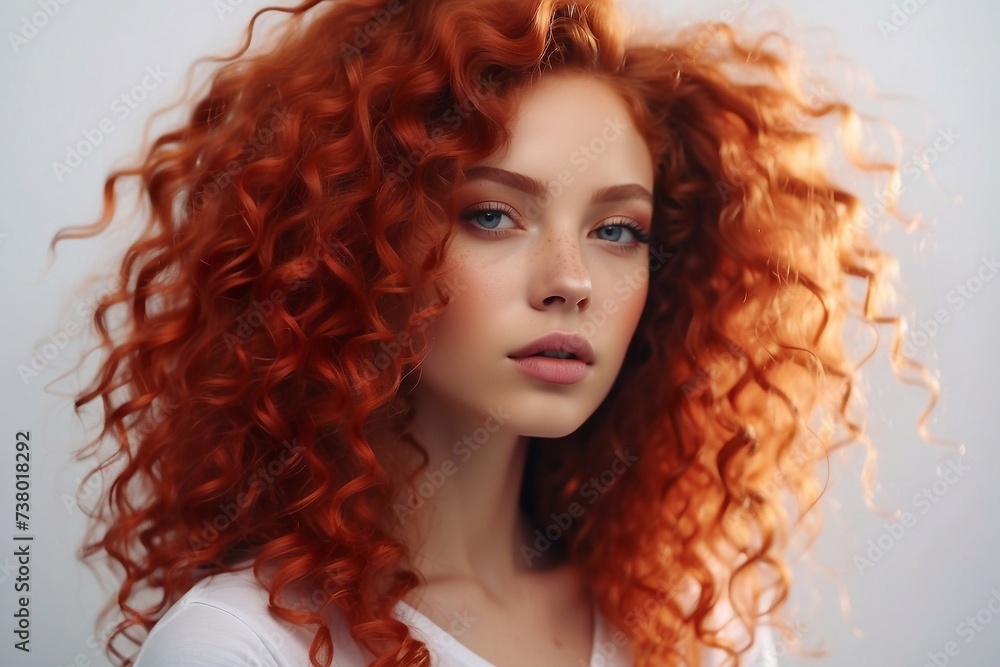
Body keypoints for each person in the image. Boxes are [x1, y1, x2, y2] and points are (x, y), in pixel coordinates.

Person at [53, 0, 929, 665]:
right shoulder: (244, 644)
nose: (571, 280)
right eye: (493, 215)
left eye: (616, 229)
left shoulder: (703, 622)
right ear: (354, 245)